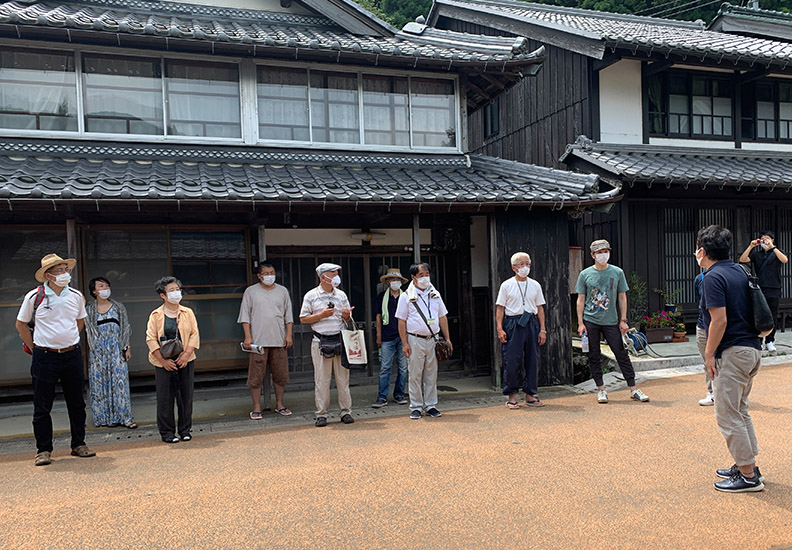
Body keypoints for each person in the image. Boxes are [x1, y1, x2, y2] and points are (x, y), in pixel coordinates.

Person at [697, 225, 764, 492]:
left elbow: (719, 320)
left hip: (733, 352)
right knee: (741, 410)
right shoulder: (739, 270)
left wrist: (709, 353)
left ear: (702, 251)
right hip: (752, 349)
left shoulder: (713, 277)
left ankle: (748, 476)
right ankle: (747, 464)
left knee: (727, 414)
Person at [14, 254, 96, 466]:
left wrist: (68, 339)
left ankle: (79, 444)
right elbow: (21, 324)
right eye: (59, 270)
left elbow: (80, 321)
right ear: (48, 275)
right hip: (44, 356)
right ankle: (43, 449)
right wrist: (35, 348)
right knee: (42, 404)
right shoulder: (35, 296)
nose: (65, 274)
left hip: (71, 354)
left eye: (66, 269)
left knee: (77, 402)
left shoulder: (76, 296)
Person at [575, 240, 650, 404]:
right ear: (593, 255)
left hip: (611, 320)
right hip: (590, 319)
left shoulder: (617, 272)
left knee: (621, 353)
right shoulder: (585, 274)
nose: (603, 255)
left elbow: (622, 296)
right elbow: (581, 299)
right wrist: (580, 323)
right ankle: (601, 389)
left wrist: (623, 320)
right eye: (599, 252)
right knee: (593, 355)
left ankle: (633, 388)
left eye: (605, 251)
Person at [299, 263, 355, 427]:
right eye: (333, 273)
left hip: (339, 339)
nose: (336, 276)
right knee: (322, 380)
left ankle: (346, 411)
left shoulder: (341, 295)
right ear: (323, 277)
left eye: (337, 273)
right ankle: (321, 414)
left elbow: (347, 319)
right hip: (320, 341)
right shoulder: (311, 295)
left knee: (343, 379)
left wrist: (346, 315)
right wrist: (321, 315)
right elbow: (303, 318)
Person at [145, 277, 199, 443]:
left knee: (185, 396)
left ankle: (185, 430)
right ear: (163, 295)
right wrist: (163, 361)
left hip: (185, 359)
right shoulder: (155, 315)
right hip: (163, 361)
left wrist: (186, 355)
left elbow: (194, 334)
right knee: (165, 398)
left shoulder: (187, 312)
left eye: (178, 289)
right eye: (172, 290)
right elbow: (150, 339)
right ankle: (167, 432)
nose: (176, 293)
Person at [396, 262, 453, 420]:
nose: (425, 278)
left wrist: (447, 338)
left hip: (433, 339)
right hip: (415, 339)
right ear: (413, 277)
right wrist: (404, 343)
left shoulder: (435, 294)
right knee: (414, 374)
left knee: (431, 373)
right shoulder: (406, 296)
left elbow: (442, 316)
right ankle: (415, 406)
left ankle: (430, 405)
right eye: (421, 275)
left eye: (427, 274)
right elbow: (401, 321)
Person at [238, 262, 294, 419]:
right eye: (266, 273)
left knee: (280, 374)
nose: (270, 275)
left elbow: (288, 316)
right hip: (258, 341)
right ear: (259, 276)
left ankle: (280, 404)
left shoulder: (282, 291)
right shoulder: (251, 292)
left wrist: (288, 335)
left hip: (279, 339)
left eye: (272, 272)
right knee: (256, 376)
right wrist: (248, 336)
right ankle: (256, 407)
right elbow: (245, 316)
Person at [496, 252, 547, 409]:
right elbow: (500, 308)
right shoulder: (506, 285)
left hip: (531, 321)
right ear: (514, 267)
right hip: (513, 322)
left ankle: (530, 394)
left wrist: (542, 329)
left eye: (527, 263)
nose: (525, 267)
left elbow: (540, 308)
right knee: (511, 359)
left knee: (533, 359)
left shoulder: (535, 285)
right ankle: (512, 396)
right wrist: (499, 328)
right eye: (521, 264)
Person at [85, 277, 136, 428]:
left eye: (107, 285)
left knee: (119, 382)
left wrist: (127, 347)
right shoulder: (89, 309)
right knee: (100, 384)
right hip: (98, 351)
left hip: (116, 349)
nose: (105, 288)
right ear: (94, 291)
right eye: (101, 286)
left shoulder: (118, 307)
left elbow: (125, 327)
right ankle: (105, 418)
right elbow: (88, 331)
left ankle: (125, 417)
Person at [739, 230, 788, 353]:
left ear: (772, 240)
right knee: (759, 314)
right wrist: (751, 246)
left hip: (774, 288)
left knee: (773, 314)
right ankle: (759, 341)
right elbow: (742, 259)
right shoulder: (757, 255)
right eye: (763, 239)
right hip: (760, 288)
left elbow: (785, 260)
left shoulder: (777, 252)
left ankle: (770, 340)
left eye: (767, 238)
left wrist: (773, 247)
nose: (765, 241)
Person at [372, 267, 409, 408]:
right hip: (387, 337)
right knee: (385, 368)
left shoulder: (406, 296)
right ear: (387, 282)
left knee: (403, 368)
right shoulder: (382, 297)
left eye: (397, 280)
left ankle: (399, 394)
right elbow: (378, 316)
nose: (395, 282)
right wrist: (378, 336)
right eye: (392, 280)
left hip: (403, 338)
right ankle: (382, 397)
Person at [694, 269, 714, 406]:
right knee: (707, 361)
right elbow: (700, 301)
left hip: (720, 324)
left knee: (723, 361)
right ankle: (712, 392)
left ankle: (728, 393)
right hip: (702, 325)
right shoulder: (699, 279)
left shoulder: (722, 276)